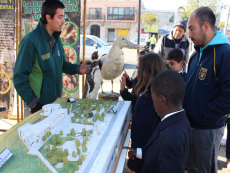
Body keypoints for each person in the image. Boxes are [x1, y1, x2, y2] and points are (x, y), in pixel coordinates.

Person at [13, 0, 89, 114]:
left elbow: (61, 65)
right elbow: (19, 77)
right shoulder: (30, 41)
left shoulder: (57, 39)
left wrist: (78, 69)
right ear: (48, 18)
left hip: (55, 103)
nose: (63, 21)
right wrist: (32, 102)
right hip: (39, 106)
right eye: (60, 17)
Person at [183, 7, 230, 173]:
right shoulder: (196, 56)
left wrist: (204, 112)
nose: (189, 35)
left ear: (206, 26)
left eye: (191, 29)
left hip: (207, 131)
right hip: (190, 127)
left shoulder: (225, 53)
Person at [121, 53, 166, 173]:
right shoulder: (155, 92)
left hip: (143, 163)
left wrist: (132, 165)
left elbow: (144, 136)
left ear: (145, 72)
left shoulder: (148, 100)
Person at [140, 70, 190, 173]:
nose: (153, 105)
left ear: (162, 100)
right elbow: (158, 152)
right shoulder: (181, 120)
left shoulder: (171, 137)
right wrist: (139, 153)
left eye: (153, 100)